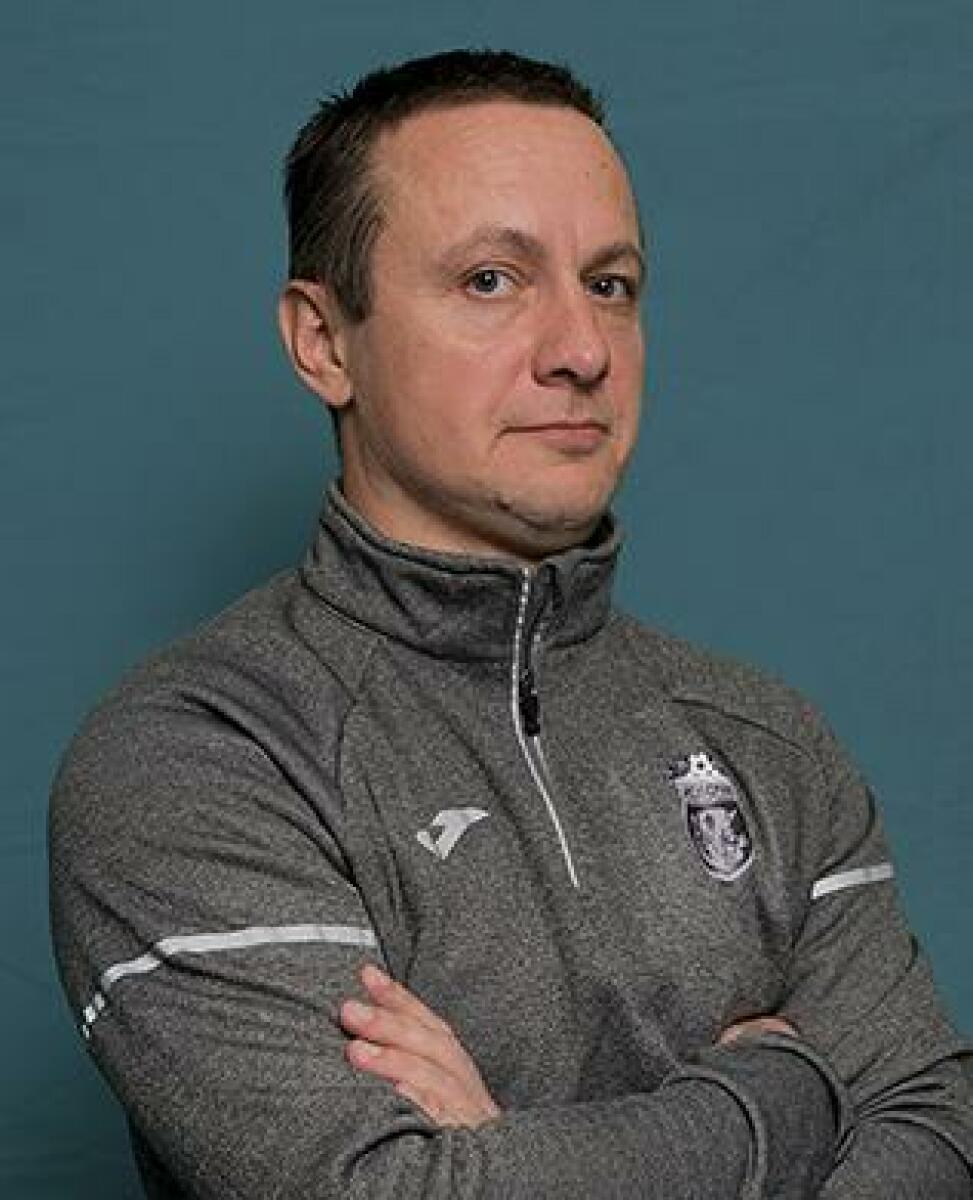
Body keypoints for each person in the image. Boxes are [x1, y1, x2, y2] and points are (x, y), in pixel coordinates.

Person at [49, 48, 973, 1198]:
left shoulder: (766, 744)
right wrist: (779, 1094)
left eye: (610, 284)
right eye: (491, 280)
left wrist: (503, 1155)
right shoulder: (199, 757)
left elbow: (936, 1135)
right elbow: (377, 1193)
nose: (580, 350)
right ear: (323, 342)